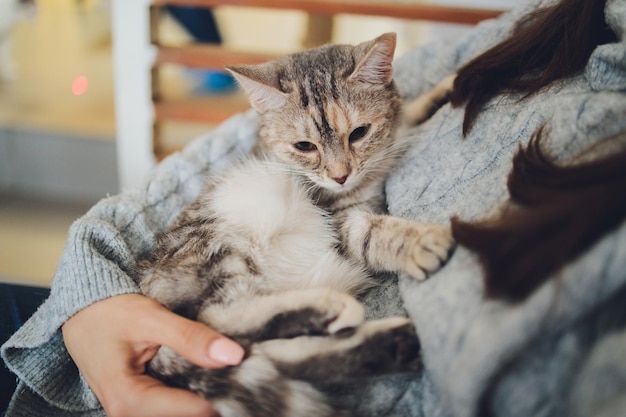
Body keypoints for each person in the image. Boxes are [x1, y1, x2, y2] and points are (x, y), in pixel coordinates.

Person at [2, 0, 625, 415]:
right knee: (257, 195)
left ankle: (275, 341)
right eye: (306, 146)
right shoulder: (553, 24)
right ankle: (247, 324)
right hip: (141, 314)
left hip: (209, 367)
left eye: (356, 137)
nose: (338, 168)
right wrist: (88, 303)